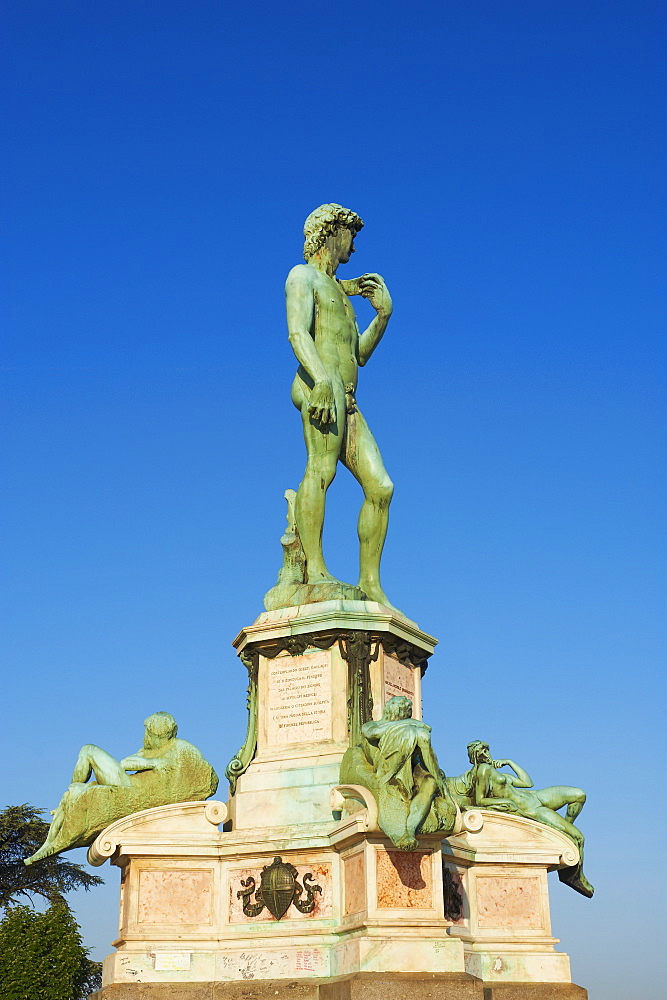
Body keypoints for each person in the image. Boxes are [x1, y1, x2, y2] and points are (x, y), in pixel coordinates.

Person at [286, 203, 396, 609]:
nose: (355, 245)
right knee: (321, 470)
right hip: (320, 386)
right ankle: (314, 569)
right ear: (334, 232)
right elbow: (298, 334)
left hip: (348, 397)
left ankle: (371, 584)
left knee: (380, 487)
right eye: (352, 234)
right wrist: (319, 382)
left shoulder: (340, 292)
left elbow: (359, 354)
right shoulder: (303, 277)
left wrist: (383, 317)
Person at [25, 712, 218, 864]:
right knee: (75, 789)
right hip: (128, 784)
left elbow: (194, 773)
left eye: (147, 732)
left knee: (88, 751)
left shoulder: (181, 747)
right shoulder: (151, 751)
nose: (145, 736)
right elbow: (126, 762)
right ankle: (50, 843)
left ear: (157, 732)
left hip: (133, 791)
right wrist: (155, 762)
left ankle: (53, 843)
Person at [462, 740, 593, 897]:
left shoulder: (497, 773)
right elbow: (479, 801)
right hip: (531, 809)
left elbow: (528, 783)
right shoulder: (483, 771)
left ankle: (560, 832)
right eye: (481, 753)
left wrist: (509, 762)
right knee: (579, 837)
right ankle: (573, 876)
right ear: (475, 757)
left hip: (536, 796)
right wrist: (506, 802)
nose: (485, 754)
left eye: (486, 750)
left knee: (579, 795)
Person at [342, 696, 456, 849]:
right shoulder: (371, 725)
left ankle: (409, 829)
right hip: (388, 767)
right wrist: (407, 725)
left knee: (431, 783)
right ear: (388, 706)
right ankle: (401, 828)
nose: (400, 706)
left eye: (404, 705)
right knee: (414, 732)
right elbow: (373, 733)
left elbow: (427, 733)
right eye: (397, 703)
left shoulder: (416, 729)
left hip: (413, 767)